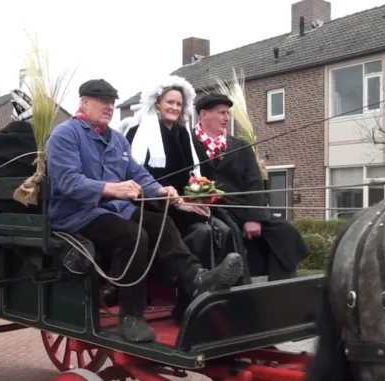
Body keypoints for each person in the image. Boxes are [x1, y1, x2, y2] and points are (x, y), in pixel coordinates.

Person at [46, 78, 244, 343]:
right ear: (84, 102)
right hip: (77, 214)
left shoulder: (116, 139)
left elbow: (138, 174)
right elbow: (68, 181)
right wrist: (111, 188)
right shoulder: (64, 135)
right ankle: (131, 316)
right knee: (133, 236)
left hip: (112, 210)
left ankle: (197, 277)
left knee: (159, 220)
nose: (109, 107)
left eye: (112, 103)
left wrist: (160, 190)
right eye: (103, 102)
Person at [120, 76, 248, 279]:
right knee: (204, 232)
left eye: (179, 103)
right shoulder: (138, 134)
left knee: (225, 228)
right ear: (157, 104)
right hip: (154, 206)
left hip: (186, 204)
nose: (175, 107)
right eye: (170, 102)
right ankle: (195, 287)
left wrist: (202, 194)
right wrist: (178, 202)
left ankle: (230, 286)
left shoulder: (185, 134)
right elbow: (135, 177)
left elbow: (205, 172)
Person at [191, 93, 308, 280]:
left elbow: (254, 182)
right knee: (231, 233)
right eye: (222, 113)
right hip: (212, 209)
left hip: (242, 208)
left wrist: (254, 218)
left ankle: (281, 289)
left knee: (284, 232)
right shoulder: (188, 142)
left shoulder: (240, 146)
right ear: (204, 114)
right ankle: (240, 290)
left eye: (228, 113)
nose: (227, 118)